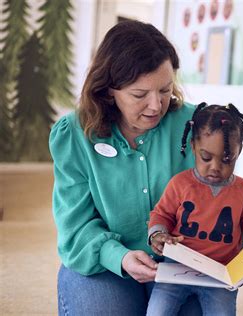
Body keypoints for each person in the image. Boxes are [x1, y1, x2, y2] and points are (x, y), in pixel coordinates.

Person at [49, 20, 202, 315]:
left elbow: (221, 197)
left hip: (181, 263)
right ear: (109, 91)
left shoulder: (195, 125)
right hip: (104, 260)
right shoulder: (74, 135)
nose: (156, 105)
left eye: (165, 90)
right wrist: (119, 257)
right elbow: (75, 227)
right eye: (139, 94)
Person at [146, 103, 243, 316]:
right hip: (177, 268)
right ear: (193, 146)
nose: (215, 166)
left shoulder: (241, 189)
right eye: (206, 157)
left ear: (239, 152)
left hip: (220, 275)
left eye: (227, 159)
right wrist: (157, 234)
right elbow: (161, 214)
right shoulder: (180, 184)